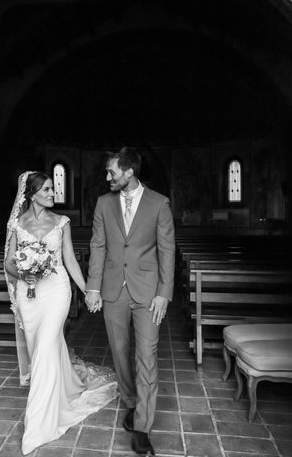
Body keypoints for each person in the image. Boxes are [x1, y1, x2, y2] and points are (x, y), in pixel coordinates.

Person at [4, 171, 118, 456]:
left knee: (44, 347)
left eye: (53, 189)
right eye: (47, 189)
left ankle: (38, 425)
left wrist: (90, 291)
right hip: (28, 294)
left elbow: (68, 260)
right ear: (31, 194)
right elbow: (8, 263)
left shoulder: (62, 223)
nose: (53, 193)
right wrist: (26, 273)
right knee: (41, 349)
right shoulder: (17, 224)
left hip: (56, 290)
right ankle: (64, 389)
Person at [85, 148, 175, 456]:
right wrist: (93, 287)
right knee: (120, 353)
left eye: (112, 172)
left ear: (129, 173)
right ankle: (131, 401)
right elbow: (98, 246)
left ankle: (142, 428)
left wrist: (164, 293)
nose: (107, 177)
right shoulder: (103, 204)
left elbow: (167, 251)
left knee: (146, 357)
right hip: (112, 290)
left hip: (148, 292)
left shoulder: (159, 203)